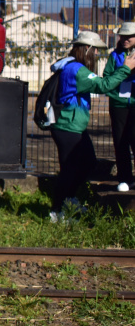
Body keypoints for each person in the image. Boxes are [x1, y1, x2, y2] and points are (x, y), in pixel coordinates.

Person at [47, 30, 135, 222]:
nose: (97, 55)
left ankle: (69, 200)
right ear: (86, 49)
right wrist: (126, 68)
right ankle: (57, 210)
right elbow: (103, 85)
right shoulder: (77, 70)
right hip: (67, 127)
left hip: (75, 126)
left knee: (87, 163)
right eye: (95, 51)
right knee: (70, 169)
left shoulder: (73, 67)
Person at [103, 22, 135, 192]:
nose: (125, 39)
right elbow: (106, 76)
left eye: (129, 36)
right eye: (122, 36)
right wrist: (123, 72)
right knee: (120, 140)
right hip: (118, 103)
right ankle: (125, 178)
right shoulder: (115, 55)